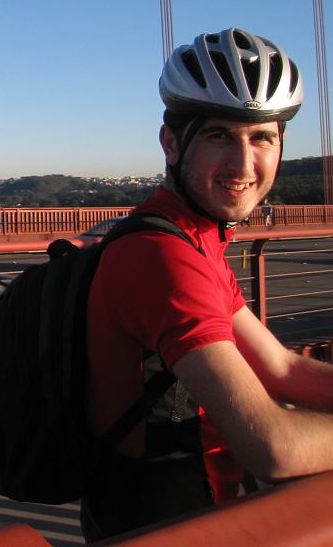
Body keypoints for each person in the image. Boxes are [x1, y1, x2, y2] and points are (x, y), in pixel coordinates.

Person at [82, 27, 333, 540]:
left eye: (262, 137)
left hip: (191, 508)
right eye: (219, 135)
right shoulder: (161, 256)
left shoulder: (193, 240)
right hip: (168, 524)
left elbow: (281, 369)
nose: (243, 165)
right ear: (171, 143)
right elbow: (274, 448)